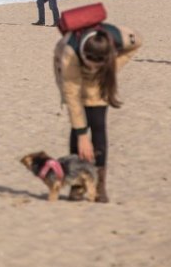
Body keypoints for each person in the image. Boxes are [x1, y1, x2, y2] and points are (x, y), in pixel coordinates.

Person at [53, 20, 142, 203]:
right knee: (78, 129)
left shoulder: (119, 36)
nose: (93, 67)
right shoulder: (69, 53)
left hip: (101, 77)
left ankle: (99, 184)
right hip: (70, 70)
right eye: (91, 64)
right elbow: (73, 98)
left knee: (98, 124)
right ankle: (77, 184)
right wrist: (82, 134)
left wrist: (113, 66)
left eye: (97, 64)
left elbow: (138, 41)